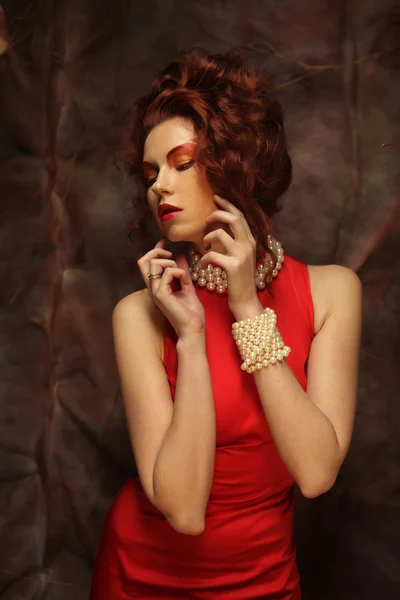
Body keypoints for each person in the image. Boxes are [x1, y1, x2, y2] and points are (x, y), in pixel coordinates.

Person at [90, 47, 362, 599]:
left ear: (236, 161)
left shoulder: (332, 292)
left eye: (180, 163)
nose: (158, 186)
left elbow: (315, 473)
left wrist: (246, 309)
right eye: (150, 172)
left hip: (265, 580)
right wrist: (190, 337)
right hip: (143, 575)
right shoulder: (140, 315)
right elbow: (185, 510)